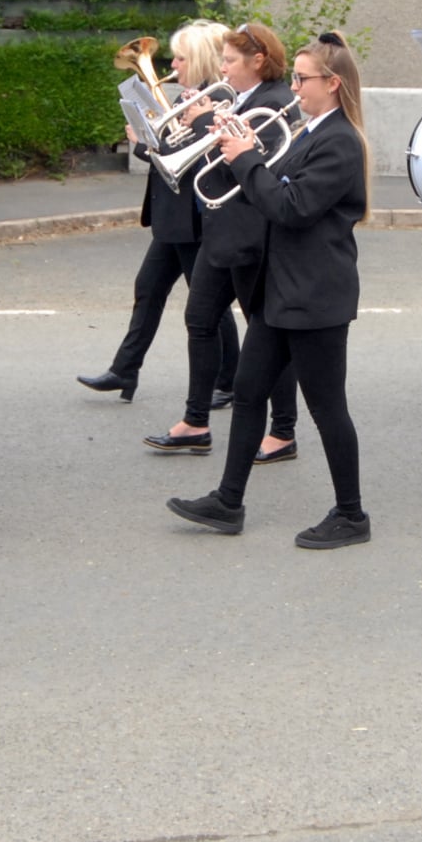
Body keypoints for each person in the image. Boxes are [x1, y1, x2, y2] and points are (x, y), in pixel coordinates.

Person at [169, 34, 372, 549]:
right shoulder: (310, 129)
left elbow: (291, 207)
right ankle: (228, 501)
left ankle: (351, 515)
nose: (295, 87)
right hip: (282, 290)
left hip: (315, 296)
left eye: (303, 79)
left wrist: (243, 159)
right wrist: (241, 141)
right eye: (297, 77)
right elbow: (271, 182)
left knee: (328, 409)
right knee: (249, 392)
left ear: (333, 83)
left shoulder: (341, 141)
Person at [145, 22, 297, 464]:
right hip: (219, 229)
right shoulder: (237, 98)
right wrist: (196, 126)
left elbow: (255, 166)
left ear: (258, 61)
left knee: (268, 336)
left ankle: (283, 430)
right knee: (199, 319)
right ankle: (196, 422)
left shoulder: (276, 103)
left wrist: (210, 123)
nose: (223, 68)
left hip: (254, 235)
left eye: (230, 61)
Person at [77, 21, 239, 405]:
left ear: (198, 59)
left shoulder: (215, 99)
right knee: (148, 289)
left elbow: (193, 157)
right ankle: (125, 370)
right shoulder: (188, 95)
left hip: (191, 217)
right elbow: (171, 148)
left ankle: (228, 379)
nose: (174, 64)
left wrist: (143, 144)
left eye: (181, 57)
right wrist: (149, 137)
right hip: (172, 214)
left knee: (208, 303)